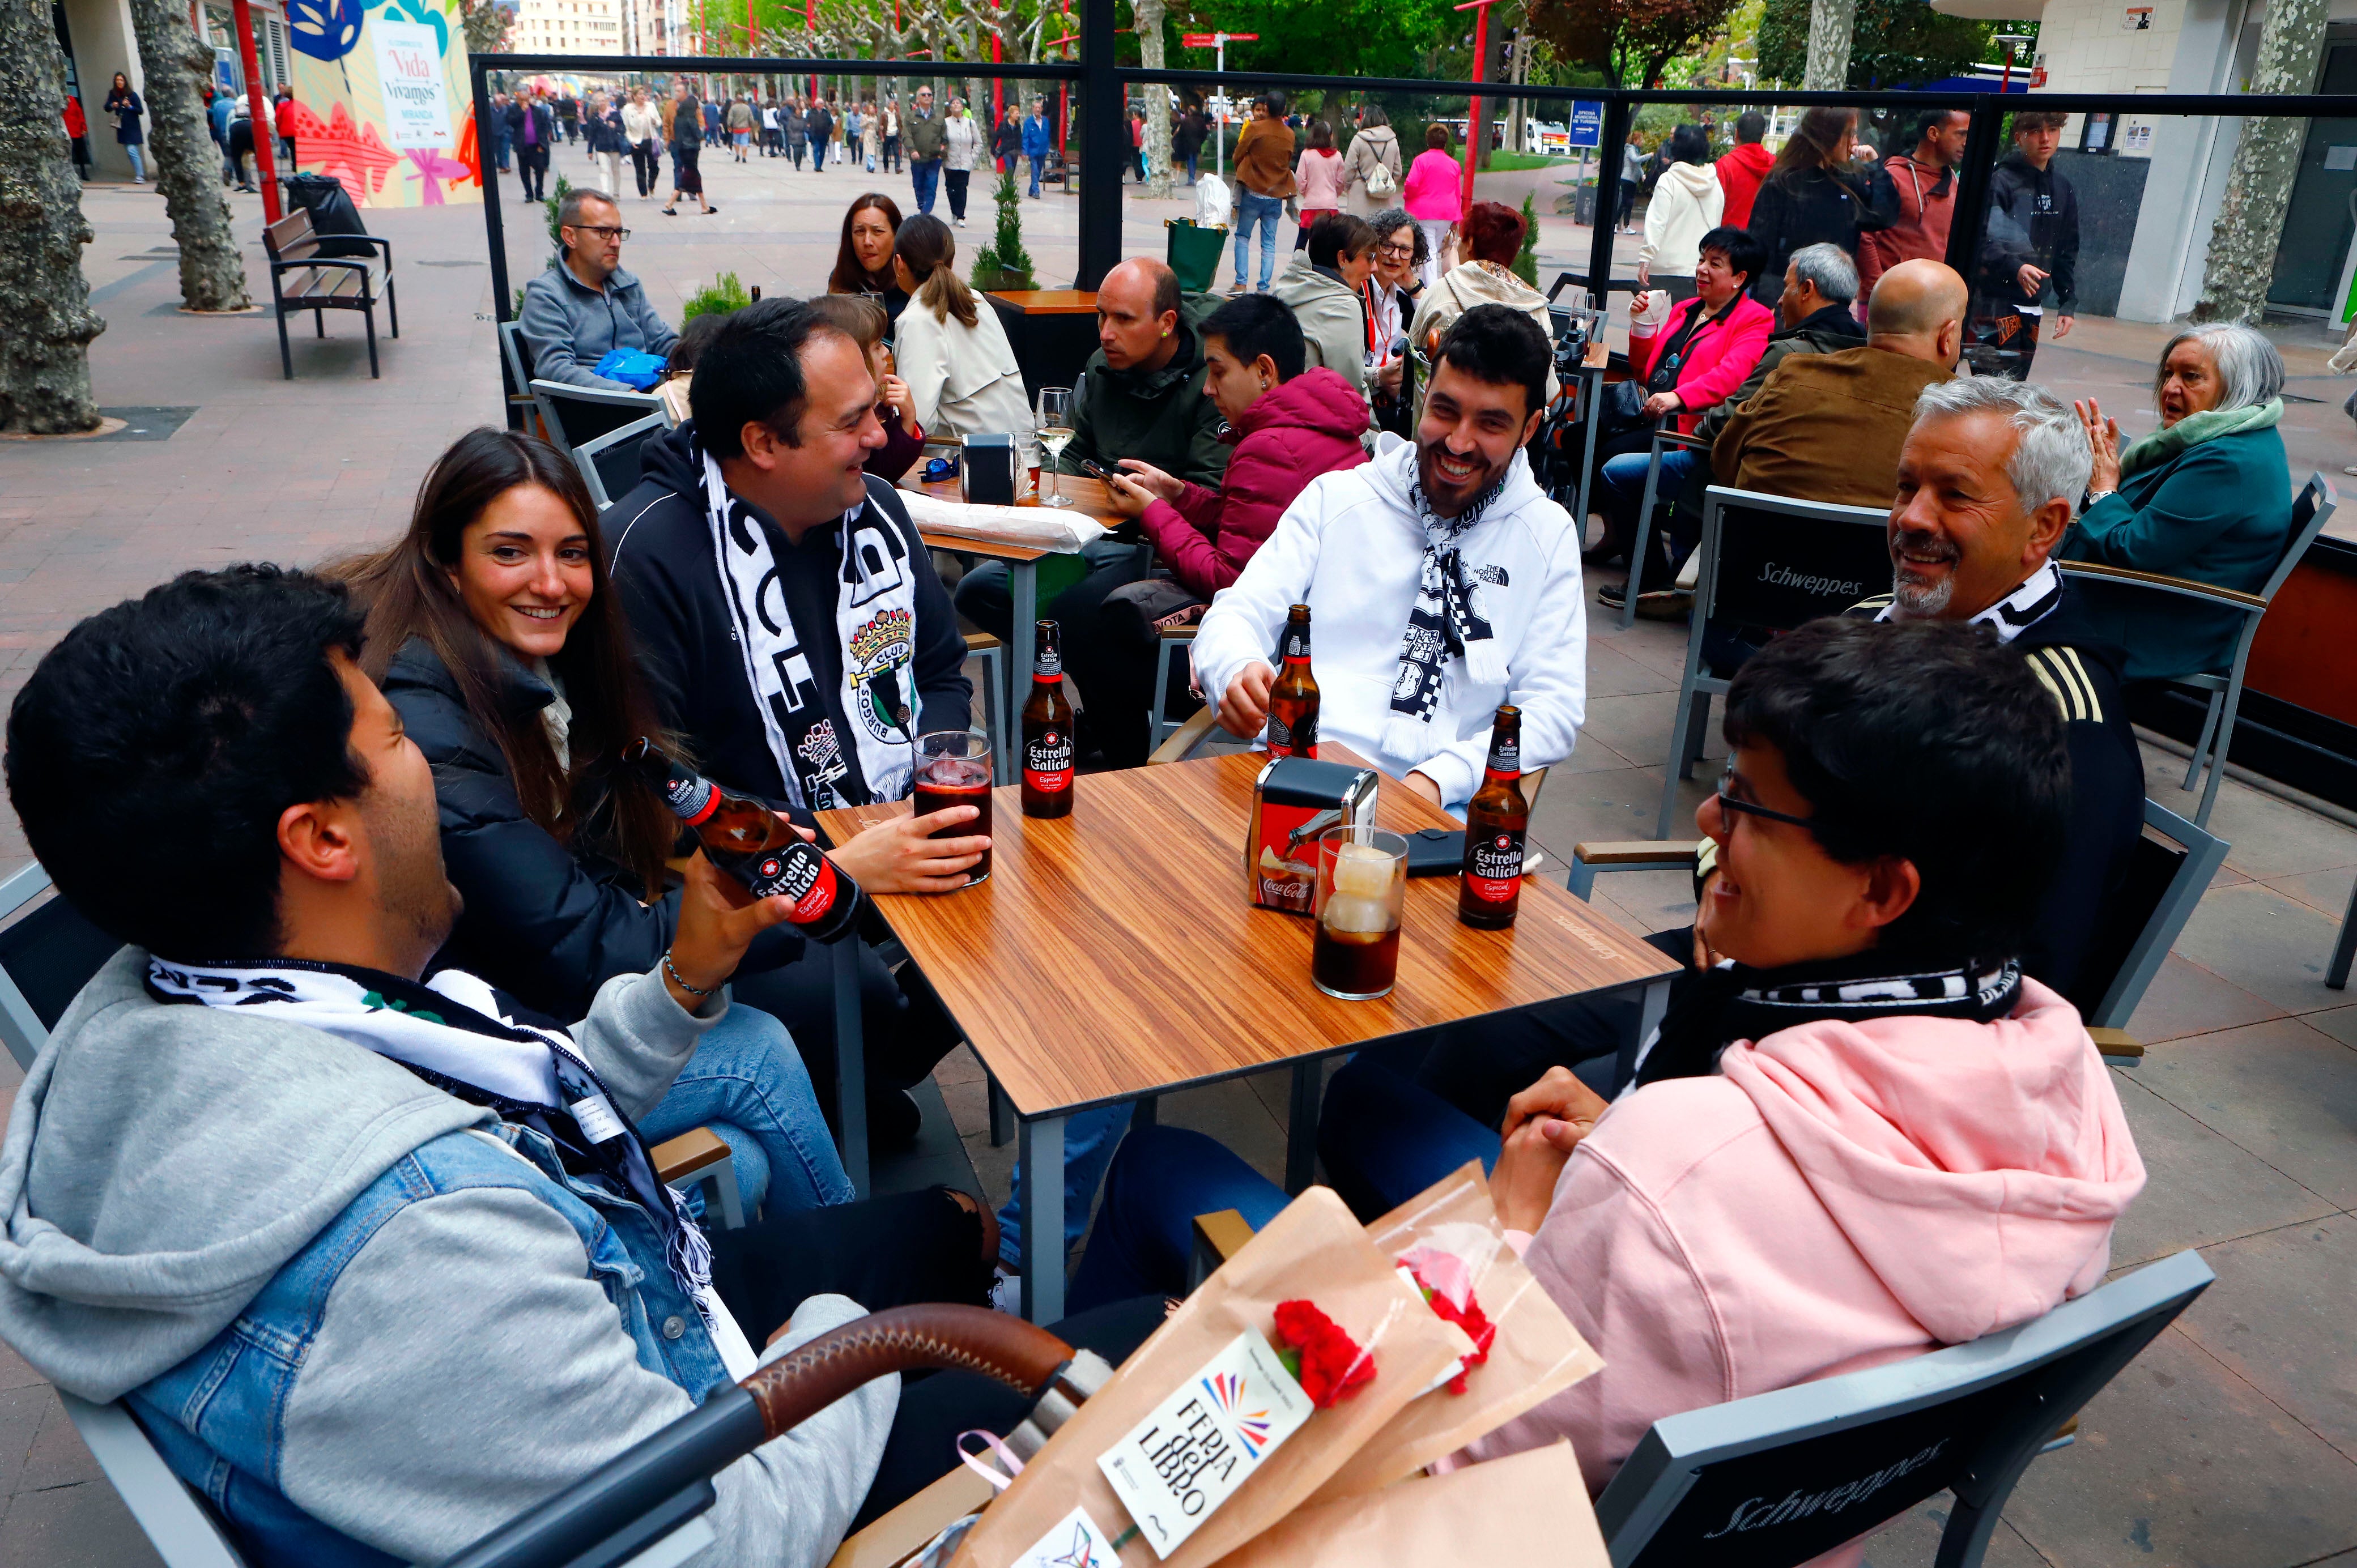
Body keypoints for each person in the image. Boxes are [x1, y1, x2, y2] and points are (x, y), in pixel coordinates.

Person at [0, 563, 1009, 1567]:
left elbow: (516, 1098)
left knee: (950, 1228)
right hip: (705, 1484)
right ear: (319, 838)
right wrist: (847, 1335)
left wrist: (685, 978)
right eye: (395, 738)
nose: (428, 767)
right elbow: (720, 1544)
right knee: (1057, 1363)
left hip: (609, 1323)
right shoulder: (419, 1243)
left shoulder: (175, 1000)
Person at [1070, 617, 2146, 1532]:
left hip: (1477, 1506)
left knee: (1162, 1163)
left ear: (1881, 891)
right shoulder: (2065, 1083)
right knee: (1372, 1106)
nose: (1709, 821)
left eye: (1750, 805)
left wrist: (1514, 1222)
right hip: (1767, 1509)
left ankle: (1057, 1480)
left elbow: (1449, 1441)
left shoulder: (1669, 1173)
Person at [333, 428, 852, 1217]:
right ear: (446, 559)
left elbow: (635, 805)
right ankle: (874, 1283)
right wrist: (824, 884)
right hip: (446, 1053)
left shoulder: (534, 659)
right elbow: (579, 948)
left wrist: (790, 840)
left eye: (573, 553)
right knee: (756, 1050)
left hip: (501, 1002)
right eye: (511, 552)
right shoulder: (424, 721)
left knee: (738, 1168)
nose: (552, 581)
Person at [600, 299, 986, 1143]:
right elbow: (655, 780)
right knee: (858, 991)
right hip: (745, 888)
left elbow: (940, 668)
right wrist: (833, 849)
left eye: (878, 409)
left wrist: (925, 788)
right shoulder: (646, 554)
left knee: (1025, 920)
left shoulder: (877, 510)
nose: (883, 437)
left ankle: (858, 1084)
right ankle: (844, 1101)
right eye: (853, 422)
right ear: (763, 444)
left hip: (893, 822)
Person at [1192, 304, 1586, 815]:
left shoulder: (1544, 534)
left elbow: (1552, 708)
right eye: (1444, 411)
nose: (1458, 442)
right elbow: (1237, 611)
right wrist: (1235, 668)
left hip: (1436, 804)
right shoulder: (1339, 497)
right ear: (1424, 395)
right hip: (1293, 773)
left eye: (1490, 423)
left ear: (1530, 429)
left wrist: (1440, 780)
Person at [1862, 377, 2146, 1004]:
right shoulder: (1865, 626)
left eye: (1954, 496)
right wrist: (1724, 871)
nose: (1909, 517)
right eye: (1906, 486)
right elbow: (1747, 792)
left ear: (2042, 528)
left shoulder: (2060, 723)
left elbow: (2025, 975)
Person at [1087, 294, 1371, 766]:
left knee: (1093, 624)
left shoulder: (1271, 446)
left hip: (1280, 658)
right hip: (1319, 621)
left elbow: (1231, 579)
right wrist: (1178, 495)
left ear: (1264, 370)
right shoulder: (1318, 423)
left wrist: (1154, 513)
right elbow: (1259, 522)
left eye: (1217, 371)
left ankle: (1126, 767)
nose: (1207, 389)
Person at [952, 258, 1229, 641]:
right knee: (978, 591)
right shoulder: (1104, 365)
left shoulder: (1212, 383)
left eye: (1124, 319)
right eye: (1101, 316)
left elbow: (1208, 495)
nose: (1105, 333)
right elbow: (1074, 448)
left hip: (1156, 548)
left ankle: (1085, 680)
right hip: (1089, 530)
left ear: (1167, 323)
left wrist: (1143, 506)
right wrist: (1043, 497)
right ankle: (1057, 670)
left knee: (1077, 610)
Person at [2066, 323, 2295, 683]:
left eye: (2191, 377)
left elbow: (2133, 549)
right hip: (2132, 598)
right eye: (2168, 373)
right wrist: (2102, 478)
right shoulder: (2216, 435)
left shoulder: (2227, 461)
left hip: (2150, 626)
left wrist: (2103, 489)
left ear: (2237, 388)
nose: (2171, 388)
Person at [1592, 225, 1772, 607]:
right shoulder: (1684, 309)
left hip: (1689, 430)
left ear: (1740, 278)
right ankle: (1618, 539)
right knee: (1582, 440)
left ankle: (1649, 572)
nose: (1702, 269)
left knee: (1613, 457)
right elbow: (1647, 371)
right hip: (1655, 416)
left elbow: (1733, 376)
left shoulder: (1754, 320)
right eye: (1702, 259)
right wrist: (1643, 326)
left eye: (1715, 263)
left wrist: (1678, 397)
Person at [1711, 258, 1965, 510]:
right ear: (1948, 336)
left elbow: (1723, 461)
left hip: (1751, 547)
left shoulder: (1793, 374)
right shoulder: (1961, 415)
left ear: (1868, 325)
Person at [1407, 201, 1560, 426]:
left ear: (1469, 244)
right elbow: (1546, 392)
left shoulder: (1442, 292)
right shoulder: (1536, 308)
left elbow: (1411, 364)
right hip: (1505, 438)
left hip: (1436, 426)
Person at [518, 188, 679, 390]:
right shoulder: (546, 295)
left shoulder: (628, 285)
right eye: (603, 232)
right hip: (595, 407)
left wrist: (703, 362)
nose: (616, 242)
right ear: (570, 237)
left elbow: (663, 341)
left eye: (619, 232)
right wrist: (626, 393)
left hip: (650, 394)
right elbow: (556, 368)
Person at [888, 214, 1029, 442]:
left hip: (968, 466)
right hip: (1024, 456)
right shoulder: (976, 299)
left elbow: (916, 423)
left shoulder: (917, 320)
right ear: (951, 263)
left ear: (899, 263)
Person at [1742, 106, 1895, 308]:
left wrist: (1876, 169)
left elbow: (1883, 216)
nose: (1856, 142)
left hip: (1833, 298)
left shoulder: (1847, 179)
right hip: (1788, 296)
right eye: (1850, 134)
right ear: (1830, 137)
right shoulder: (1785, 182)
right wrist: (1769, 303)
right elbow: (1762, 246)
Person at [1972, 110, 2079, 381]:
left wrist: (2068, 301)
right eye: (2035, 131)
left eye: (2052, 130)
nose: (2045, 138)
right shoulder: (2000, 181)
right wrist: (2015, 267)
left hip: (2032, 305)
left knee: (2017, 388)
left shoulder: (2062, 187)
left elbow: (2066, 248)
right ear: (2019, 137)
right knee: (1991, 389)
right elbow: (1981, 240)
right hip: (1992, 302)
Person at [805, 293, 926, 482]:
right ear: (855, 357)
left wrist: (906, 421)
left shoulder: (875, 400)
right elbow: (881, 473)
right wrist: (906, 423)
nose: (886, 351)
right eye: (877, 346)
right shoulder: (846, 411)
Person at [1858, 108, 1968, 300]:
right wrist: (1879, 291)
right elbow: (1864, 237)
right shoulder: (1892, 177)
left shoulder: (1954, 181)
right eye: (1961, 134)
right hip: (1889, 302)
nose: (1967, 142)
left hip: (1934, 300)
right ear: (1933, 133)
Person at [1271, 211, 1379, 406]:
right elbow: (1350, 393)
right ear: (1343, 259)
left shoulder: (1291, 286)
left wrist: (1377, 377)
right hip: (1306, 417)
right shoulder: (1343, 306)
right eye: (1370, 257)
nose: (1375, 267)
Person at [1636, 123, 1724, 301]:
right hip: (1697, 269)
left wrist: (1646, 258)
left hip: (1664, 268)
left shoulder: (1669, 181)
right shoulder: (1716, 185)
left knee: (1650, 323)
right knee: (1688, 325)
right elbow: (1716, 226)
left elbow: (1656, 223)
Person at [1363, 208, 1427, 437]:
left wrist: (1413, 285)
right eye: (1387, 246)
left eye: (1405, 250)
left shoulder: (1399, 295)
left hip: (1393, 400)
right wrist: (1381, 376)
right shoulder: (1359, 293)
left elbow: (1435, 323)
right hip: (1366, 403)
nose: (1395, 256)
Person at [1231, 90, 1297, 293]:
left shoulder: (1255, 128)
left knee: (1243, 237)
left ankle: (1241, 283)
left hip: (1252, 192)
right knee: (1269, 244)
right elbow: (1286, 161)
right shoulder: (1290, 134)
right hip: (1275, 195)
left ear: (1266, 108)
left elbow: (1238, 155)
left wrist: (1245, 170)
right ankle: (1263, 288)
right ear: (1284, 110)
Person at [827, 191, 909, 322]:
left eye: (878, 231)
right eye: (859, 231)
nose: (867, 241)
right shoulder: (841, 279)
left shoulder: (910, 282)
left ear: (896, 235)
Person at [1402, 123, 1463, 289]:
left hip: (1423, 212)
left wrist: (1408, 197)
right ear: (1445, 142)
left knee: (1428, 251)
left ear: (1428, 141)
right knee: (1432, 251)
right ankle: (1427, 284)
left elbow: (1411, 184)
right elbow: (1457, 192)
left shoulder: (1421, 160)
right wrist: (1457, 217)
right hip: (1447, 213)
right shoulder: (1454, 165)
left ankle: (1431, 289)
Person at [663, 82, 714, 216]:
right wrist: (701, 135)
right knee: (690, 176)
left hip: (681, 148)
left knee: (693, 175)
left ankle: (704, 206)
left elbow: (673, 129)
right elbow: (698, 134)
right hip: (691, 149)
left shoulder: (678, 118)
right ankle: (670, 202)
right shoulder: (690, 118)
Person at [1715, 109, 1772, 228]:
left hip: (1728, 240)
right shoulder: (1776, 165)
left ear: (1736, 133)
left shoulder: (1725, 165)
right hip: (1762, 241)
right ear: (1763, 135)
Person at [1294, 119, 1346, 245]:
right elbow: (1341, 181)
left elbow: (1300, 179)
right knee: (1329, 243)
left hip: (1311, 205)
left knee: (1302, 242)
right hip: (1330, 206)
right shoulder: (1337, 156)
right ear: (1331, 136)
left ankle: (1298, 263)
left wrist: (1306, 192)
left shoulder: (1306, 154)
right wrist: (1334, 193)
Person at [1345, 103, 1401, 211]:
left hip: (1360, 196)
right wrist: (1386, 185)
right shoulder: (1393, 141)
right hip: (1384, 198)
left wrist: (1347, 187)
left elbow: (1349, 169)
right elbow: (1398, 171)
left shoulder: (1359, 140)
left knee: (1359, 228)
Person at [507, 86, 555, 203]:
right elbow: (511, 123)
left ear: (529, 99)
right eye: (521, 100)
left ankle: (539, 193)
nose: (524, 102)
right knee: (524, 172)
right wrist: (522, 112)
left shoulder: (537, 111)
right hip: (522, 146)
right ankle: (529, 194)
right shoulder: (513, 110)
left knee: (540, 169)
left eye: (526, 100)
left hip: (536, 146)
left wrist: (542, 144)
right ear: (517, 100)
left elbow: (545, 126)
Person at [904, 83, 943, 214]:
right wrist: (912, 150)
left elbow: (946, 138)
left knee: (931, 187)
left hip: (934, 160)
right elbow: (906, 135)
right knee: (918, 185)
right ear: (918, 99)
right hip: (918, 160)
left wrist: (942, 151)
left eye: (929, 95)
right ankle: (922, 206)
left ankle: (925, 214)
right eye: (924, 95)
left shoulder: (939, 118)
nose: (927, 97)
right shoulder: (910, 117)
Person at [584, 89, 626, 199]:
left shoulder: (615, 114)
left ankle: (616, 192)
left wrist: (615, 126)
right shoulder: (595, 117)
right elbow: (591, 135)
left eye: (603, 100)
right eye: (599, 101)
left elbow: (623, 129)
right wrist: (590, 151)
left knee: (615, 170)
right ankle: (605, 191)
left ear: (607, 101)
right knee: (604, 169)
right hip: (601, 147)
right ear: (596, 104)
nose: (601, 103)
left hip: (614, 146)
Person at [943, 98, 979, 225]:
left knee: (962, 188)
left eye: (958, 103)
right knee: (951, 189)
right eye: (953, 104)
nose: (956, 105)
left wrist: (972, 157)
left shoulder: (970, 123)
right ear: (950, 108)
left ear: (963, 107)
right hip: (950, 162)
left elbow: (978, 142)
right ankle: (954, 211)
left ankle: (960, 216)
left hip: (965, 162)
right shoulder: (946, 123)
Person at [104, 72, 144, 184]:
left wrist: (130, 106)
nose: (119, 82)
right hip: (122, 127)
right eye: (117, 80)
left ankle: (140, 176)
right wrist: (113, 105)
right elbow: (106, 107)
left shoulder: (132, 95)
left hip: (132, 126)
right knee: (130, 150)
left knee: (132, 150)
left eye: (121, 80)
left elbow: (140, 110)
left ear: (125, 82)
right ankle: (139, 174)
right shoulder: (113, 94)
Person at [623, 85, 662, 199]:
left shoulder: (651, 106)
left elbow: (659, 122)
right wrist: (631, 141)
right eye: (640, 94)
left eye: (643, 94)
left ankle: (651, 185)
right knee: (640, 169)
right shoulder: (628, 109)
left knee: (654, 166)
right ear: (634, 96)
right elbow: (626, 128)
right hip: (637, 141)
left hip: (651, 140)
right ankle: (643, 193)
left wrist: (655, 121)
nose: (643, 97)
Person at [1022, 96, 1052, 197]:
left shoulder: (1046, 121)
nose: (1038, 109)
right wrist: (1025, 152)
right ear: (1033, 109)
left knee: (1038, 171)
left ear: (1042, 109)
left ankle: (1031, 190)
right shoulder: (1028, 122)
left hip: (1043, 151)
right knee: (1034, 170)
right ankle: (1036, 191)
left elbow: (1048, 135)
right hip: (1033, 151)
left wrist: (1047, 147)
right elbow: (1025, 138)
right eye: (1036, 108)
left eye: (1040, 108)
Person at [1617, 131, 1644, 233]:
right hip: (1627, 179)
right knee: (1626, 203)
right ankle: (1617, 223)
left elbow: (1638, 165)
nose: (1643, 142)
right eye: (1641, 140)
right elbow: (1635, 160)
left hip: (1632, 180)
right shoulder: (1631, 150)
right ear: (1636, 141)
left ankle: (1626, 226)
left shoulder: (1636, 150)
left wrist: (1642, 174)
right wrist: (1649, 156)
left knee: (1628, 203)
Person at [64, 93, 91, 182]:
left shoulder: (71, 99)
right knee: (68, 154)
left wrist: (84, 127)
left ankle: (83, 172)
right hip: (66, 131)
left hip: (76, 131)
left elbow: (79, 113)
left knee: (80, 153)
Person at [804, 92, 832, 172]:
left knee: (823, 151)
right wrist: (808, 130)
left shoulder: (826, 113)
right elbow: (807, 123)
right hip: (815, 135)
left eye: (823, 103)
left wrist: (829, 131)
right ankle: (817, 166)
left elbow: (831, 123)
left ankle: (820, 165)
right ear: (817, 104)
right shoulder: (811, 112)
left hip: (824, 135)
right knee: (816, 150)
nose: (823, 104)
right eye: (821, 103)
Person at [991, 103, 1020, 177]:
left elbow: (1020, 138)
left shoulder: (1018, 126)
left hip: (1015, 151)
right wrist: (993, 149)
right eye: (1016, 113)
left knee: (1012, 170)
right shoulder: (1003, 125)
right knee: (1009, 168)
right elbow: (996, 137)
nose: (1018, 115)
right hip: (1006, 150)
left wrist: (1022, 150)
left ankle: (1008, 185)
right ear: (1011, 114)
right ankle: (1010, 187)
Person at [727, 94, 754, 162]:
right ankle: (744, 157)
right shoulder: (747, 108)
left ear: (736, 100)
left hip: (736, 129)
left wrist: (729, 125)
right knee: (745, 143)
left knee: (737, 142)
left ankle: (737, 155)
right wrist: (751, 125)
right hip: (745, 128)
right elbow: (751, 118)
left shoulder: (733, 108)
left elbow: (730, 118)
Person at [882, 94, 902, 172]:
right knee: (886, 152)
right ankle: (886, 167)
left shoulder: (896, 114)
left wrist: (900, 132)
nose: (894, 105)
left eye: (894, 104)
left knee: (897, 152)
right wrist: (882, 137)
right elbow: (881, 125)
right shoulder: (884, 114)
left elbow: (900, 123)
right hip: (887, 135)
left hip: (895, 134)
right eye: (892, 104)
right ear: (889, 105)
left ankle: (897, 167)